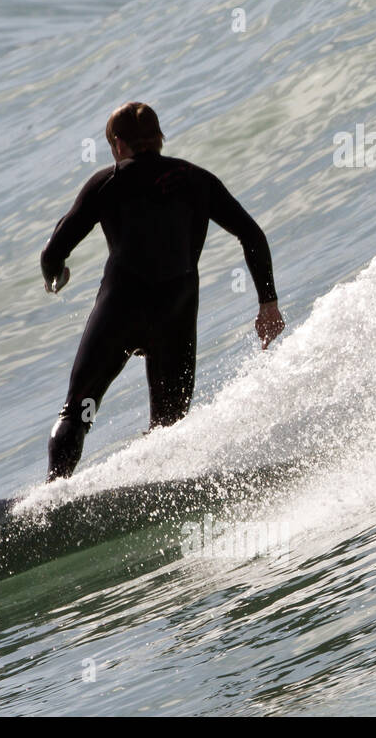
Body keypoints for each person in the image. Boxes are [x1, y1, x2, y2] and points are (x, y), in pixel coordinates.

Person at [41, 102, 284, 480]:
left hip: (121, 313)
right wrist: (268, 303)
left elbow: (54, 251)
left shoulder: (106, 184)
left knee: (79, 411)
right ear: (159, 139)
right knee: (169, 427)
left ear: (118, 144)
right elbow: (251, 235)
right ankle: (157, 494)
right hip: (176, 314)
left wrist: (55, 277)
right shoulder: (198, 180)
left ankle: (53, 499)